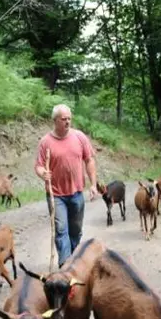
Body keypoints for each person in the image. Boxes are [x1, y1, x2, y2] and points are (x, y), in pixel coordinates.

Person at [35, 104, 99, 267]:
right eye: (64, 119)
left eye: (69, 118)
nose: (67, 122)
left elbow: (89, 160)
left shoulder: (79, 137)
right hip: (56, 195)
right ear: (55, 120)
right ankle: (66, 265)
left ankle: (74, 257)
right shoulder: (45, 142)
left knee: (76, 231)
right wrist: (43, 173)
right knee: (61, 230)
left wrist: (93, 184)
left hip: (77, 193)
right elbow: (39, 165)